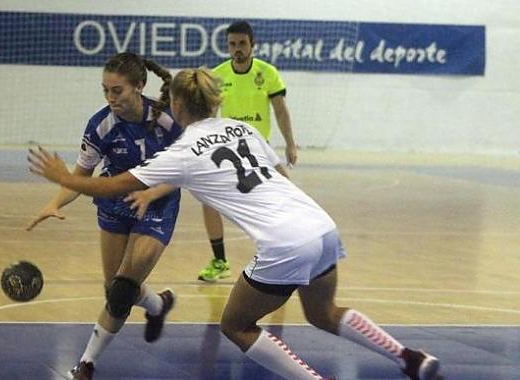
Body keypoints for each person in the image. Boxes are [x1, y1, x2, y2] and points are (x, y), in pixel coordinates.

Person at [28, 67, 441, 380]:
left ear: (176, 105)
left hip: (284, 242)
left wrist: (64, 178)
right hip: (319, 224)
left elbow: (115, 184)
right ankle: (410, 358)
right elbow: (279, 176)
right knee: (324, 312)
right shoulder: (241, 128)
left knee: (236, 325)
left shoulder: (185, 148)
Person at [25, 52, 181, 380]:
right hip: (114, 203)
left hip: (157, 205)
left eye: (118, 90)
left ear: (139, 86)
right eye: (105, 90)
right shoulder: (101, 125)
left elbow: (184, 171)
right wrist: (55, 202)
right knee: (113, 291)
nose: (111, 98)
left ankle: (86, 364)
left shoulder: (168, 120)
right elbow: (81, 176)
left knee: (124, 289)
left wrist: (152, 192)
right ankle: (157, 306)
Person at [196, 20, 298, 282]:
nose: (237, 49)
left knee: (283, 195)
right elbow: (210, 115)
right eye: (232, 44)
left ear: (252, 44)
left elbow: (280, 110)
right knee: (207, 198)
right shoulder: (218, 75)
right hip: (227, 149)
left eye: (242, 43)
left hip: (259, 150)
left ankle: (284, 253)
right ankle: (219, 261)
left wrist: (290, 143)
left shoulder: (268, 73)